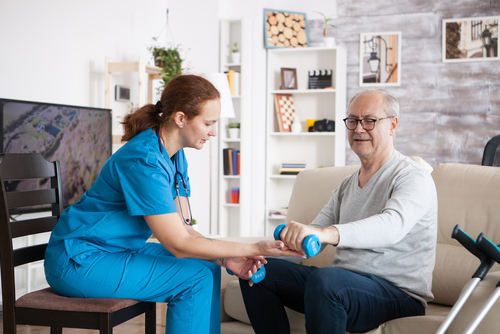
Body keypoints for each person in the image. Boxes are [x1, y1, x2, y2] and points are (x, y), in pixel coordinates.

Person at [44, 74, 304, 334]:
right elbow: (178, 244)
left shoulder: (175, 157)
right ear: (180, 118)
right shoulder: (144, 160)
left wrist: (225, 258)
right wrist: (256, 246)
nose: (214, 131)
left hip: (116, 251)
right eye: (208, 123)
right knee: (194, 280)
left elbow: (186, 229)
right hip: (79, 259)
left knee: (208, 268)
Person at [239, 89, 438, 334]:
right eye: (352, 120)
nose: (358, 129)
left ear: (392, 125)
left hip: (397, 294)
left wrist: (327, 234)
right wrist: (256, 254)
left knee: (328, 280)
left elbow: (392, 226)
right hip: (342, 286)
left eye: (369, 121)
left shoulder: (412, 176)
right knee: (259, 272)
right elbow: (310, 239)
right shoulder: (347, 185)